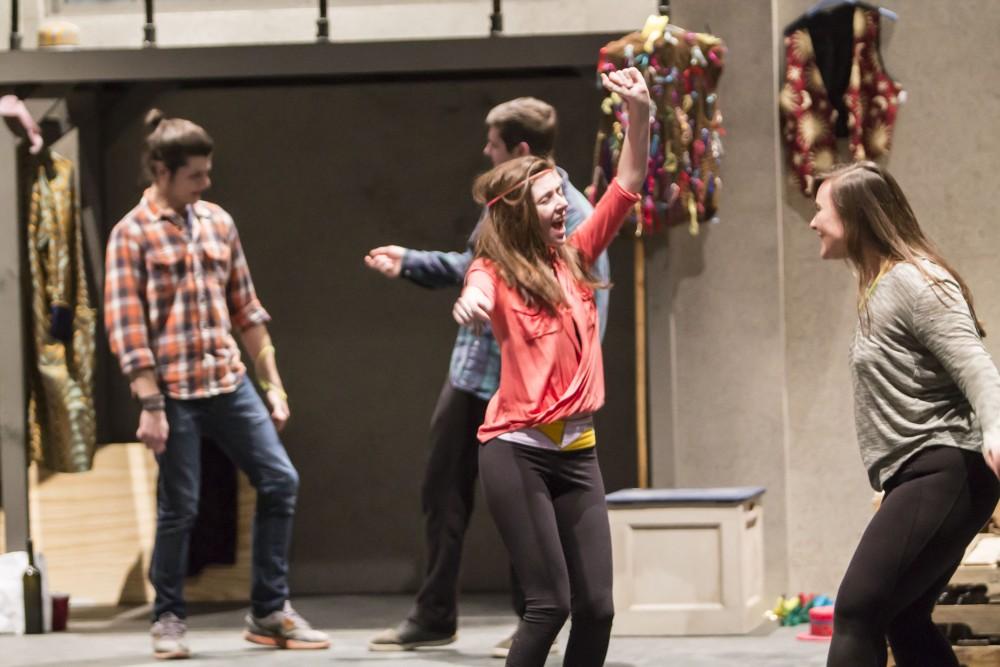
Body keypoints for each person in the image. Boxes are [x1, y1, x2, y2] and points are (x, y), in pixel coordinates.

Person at [365, 97, 610, 657]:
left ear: (520, 149)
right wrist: (416, 264)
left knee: (546, 527)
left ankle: (533, 615)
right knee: (445, 493)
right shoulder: (508, 203)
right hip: (478, 374)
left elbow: (586, 297)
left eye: (493, 143)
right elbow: (481, 269)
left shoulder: (562, 211)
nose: (484, 150)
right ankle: (438, 614)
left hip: (538, 397)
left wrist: (576, 380)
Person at [104, 110, 329, 659]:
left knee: (280, 481)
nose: (206, 184)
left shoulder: (217, 222)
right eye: (195, 175)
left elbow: (246, 310)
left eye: (207, 173)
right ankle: (169, 618)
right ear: (161, 170)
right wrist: (151, 404)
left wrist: (273, 384)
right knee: (180, 506)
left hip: (226, 381)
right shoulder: (130, 235)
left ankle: (270, 612)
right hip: (173, 392)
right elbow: (128, 330)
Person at [451, 67, 649, 667]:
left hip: (579, 452)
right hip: (518, 451)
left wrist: (639, 112)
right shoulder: (498, 268)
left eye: (560, 194)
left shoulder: (578, 254)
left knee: (598, 606)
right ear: (518, 213)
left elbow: (630, 180)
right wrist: (472, 300)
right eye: (547, 199)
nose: (562, 204)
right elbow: (477, 282)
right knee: (549, 605)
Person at [808, 162, 1000, 667]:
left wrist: (997, 428)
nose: (813, 222)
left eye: (821, 210)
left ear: (856, 217)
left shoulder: (917, 282)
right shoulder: (879, 285)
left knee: (856, 611)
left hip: (946, 469)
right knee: (904, 617)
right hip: (926, 473)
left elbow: (976, 364)